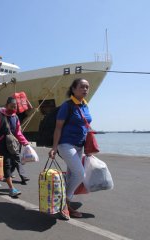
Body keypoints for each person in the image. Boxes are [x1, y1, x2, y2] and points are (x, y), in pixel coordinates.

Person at [48, 78, 92, 218]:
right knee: (80, 173)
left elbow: (85, 126)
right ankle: (65, 202)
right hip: (66, 144)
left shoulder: (85, 105)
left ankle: (63, 202)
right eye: (82, 86)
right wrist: (54, 147)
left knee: (73, 174)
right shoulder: (67, 106)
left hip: (80, 146)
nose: (85, 89)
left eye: (87, 87)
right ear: (73, 89)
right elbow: (58, 127)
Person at [0, 97, 30, 197]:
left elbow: (18, 133)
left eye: (15, 107)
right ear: (6, 105)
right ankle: (12, 189)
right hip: (1, 145)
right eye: (11, 107)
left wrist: (26, 143)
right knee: (6, 164)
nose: (13, 109)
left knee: (13, 161)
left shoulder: (15, 117)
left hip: (12, 144)